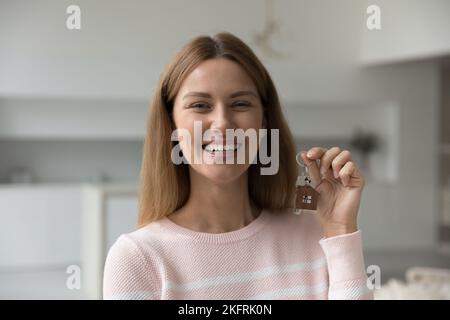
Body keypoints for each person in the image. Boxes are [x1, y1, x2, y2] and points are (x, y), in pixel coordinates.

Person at [103, 32, 372, 300]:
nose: (222, 122)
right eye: (200, 105)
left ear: (264, 121)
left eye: (240, 104)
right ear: (172, 123)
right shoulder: (138, 258)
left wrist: (339, 230)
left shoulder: (317, 233)